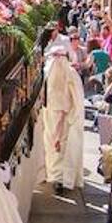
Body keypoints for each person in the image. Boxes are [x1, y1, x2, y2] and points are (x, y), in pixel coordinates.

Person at [41, 40, 85, 195]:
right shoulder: (47, 72)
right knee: (50, 145)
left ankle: (60, 178)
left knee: (62, 147)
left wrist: (73, 115)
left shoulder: (70, 74)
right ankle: (52, 175)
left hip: (66, 115)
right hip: (49, 113)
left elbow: (77, 98)